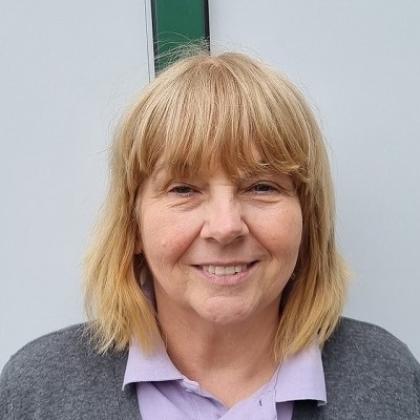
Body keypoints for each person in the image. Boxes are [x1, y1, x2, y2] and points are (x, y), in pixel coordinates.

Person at [1, 48, 419, 420]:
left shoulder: (387, 377)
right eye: (184, 189)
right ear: (133, 223)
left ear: (308, 215)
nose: (225, 227)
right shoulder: (38, 391)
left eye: (262, 187)